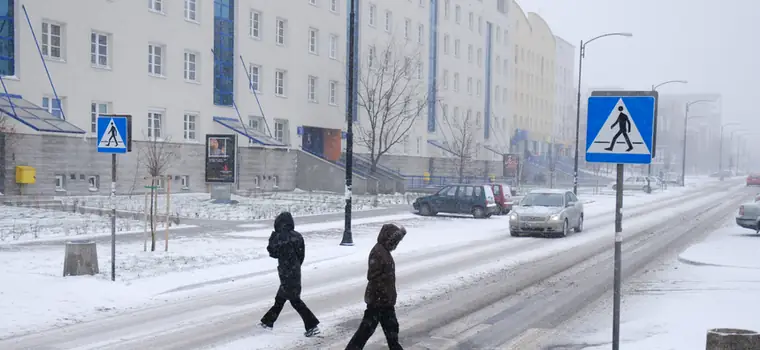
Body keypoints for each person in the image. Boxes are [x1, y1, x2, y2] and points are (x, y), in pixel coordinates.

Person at [346, 223, 407, 350]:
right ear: (388, 239)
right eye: (395, 241)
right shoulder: (379, 252)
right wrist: (383, 295)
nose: (396, 245)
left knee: (391, 331)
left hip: (384, 301)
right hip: (378, 301)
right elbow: (373, 277)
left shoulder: (384, 251)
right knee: (366, 332)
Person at [260, 212, 320, 337]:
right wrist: (295, 265)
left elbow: (273, 252)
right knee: (280, 299)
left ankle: (312, 326)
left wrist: (273, 236)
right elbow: (301, 255)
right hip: (295, 272)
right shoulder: (297, 236)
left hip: (285, 272)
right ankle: (267, 322)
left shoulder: (280, 237)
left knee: (295, 301)